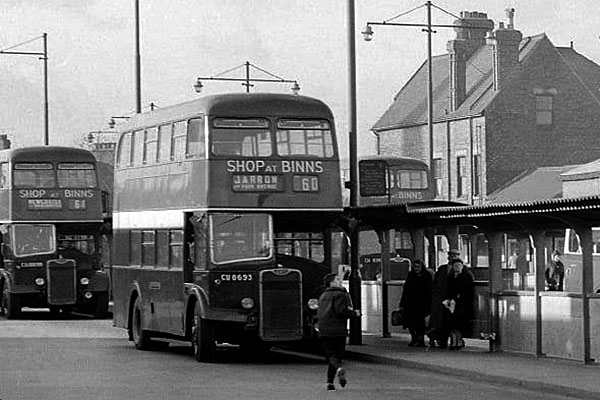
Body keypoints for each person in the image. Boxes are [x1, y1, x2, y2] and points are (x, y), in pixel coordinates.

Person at [317, 273, 361, 391]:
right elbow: (341, 311)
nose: (340, 281)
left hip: (325, 330)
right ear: (331, 283)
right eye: (337, 279)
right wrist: (354, 314)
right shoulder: (340, 295)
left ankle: (329, 383)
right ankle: (339, 369)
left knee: (331, 356)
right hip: (338, 330)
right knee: (337, 356)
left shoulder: (323, 295)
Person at [428, 249, 461, 348]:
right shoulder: (442, 269)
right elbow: (435, 283)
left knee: (452, 322)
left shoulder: (462, 269)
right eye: (451, 256)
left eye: (455, 256)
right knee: (440, 321)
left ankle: (454, 341)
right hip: (441, 300)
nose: (452, 258)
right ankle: (442, 340)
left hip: (453, 301)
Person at [398, 259, 432, 347]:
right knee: (410, 322)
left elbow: (429, 290)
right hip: (410, 303)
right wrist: (402, 303)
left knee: (421, 323)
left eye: (418, 267)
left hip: (422, 303)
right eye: (415, 267)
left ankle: (420, 339)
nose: (416, 268)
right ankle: (414, 338)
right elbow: (406, 290)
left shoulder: (426, 276)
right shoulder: (411, 275)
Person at [446, 258, 475, 349]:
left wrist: (459, 296)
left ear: (462, 266)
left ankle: (457, 340)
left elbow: (469, 291)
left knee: (459, 323)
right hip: (452, 304)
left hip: (462, 304)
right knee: (452, 323)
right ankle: (455, 340)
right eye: (455, 266)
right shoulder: (451, 277)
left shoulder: (466, 276)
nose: (457, 267)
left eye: (459, 265)